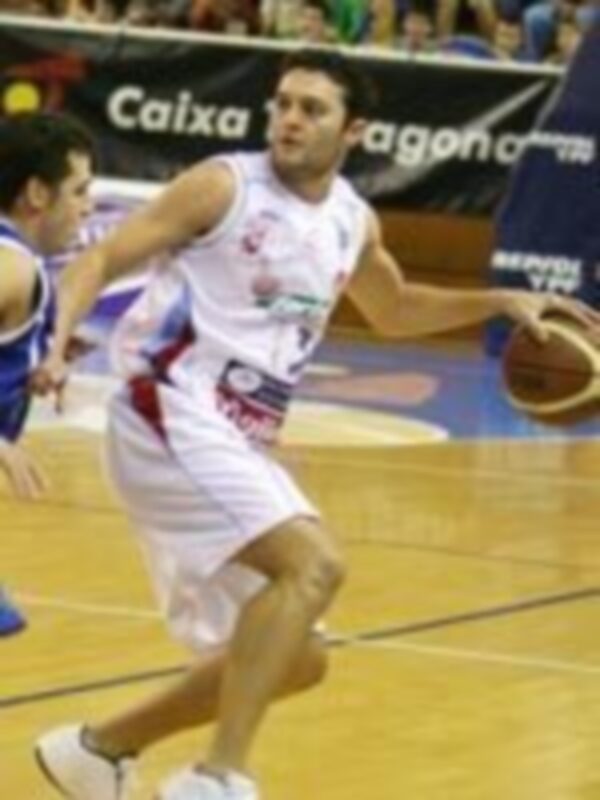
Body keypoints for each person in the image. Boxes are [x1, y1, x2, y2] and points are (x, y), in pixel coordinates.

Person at [32, 49, 599, 800]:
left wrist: (496, 302)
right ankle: (218, 778)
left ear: (353, 130)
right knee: (315, 565)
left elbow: (395, 310)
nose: (291, 120)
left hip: (239, 435)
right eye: (283, 104)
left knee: (300, 657)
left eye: (312, 109)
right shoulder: (223, 185)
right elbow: (100, 259)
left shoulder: (350, 221)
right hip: (169, 407)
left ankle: (98, 750)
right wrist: (57, 344)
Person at [0, 112, 94, 634]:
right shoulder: (11, 265)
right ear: (37, 193)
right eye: (79, 190)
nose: (88, 206)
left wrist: (37, 362)